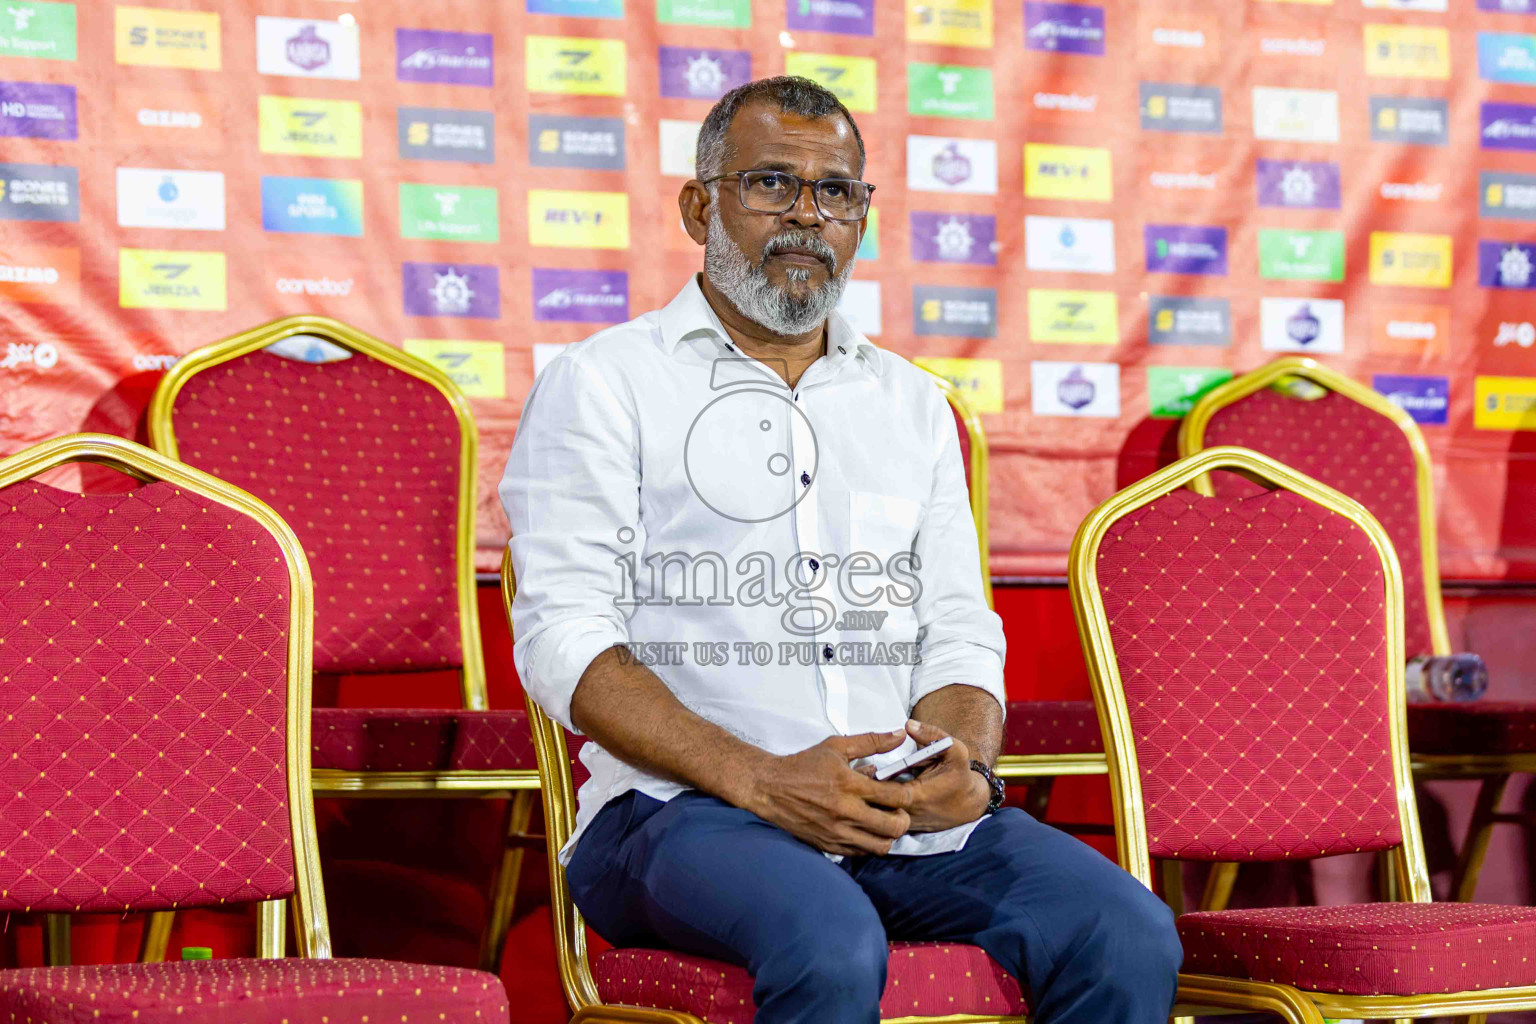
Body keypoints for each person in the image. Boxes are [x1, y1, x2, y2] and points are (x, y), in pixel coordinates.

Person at [501, 76, 1181, 1023]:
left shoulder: (912, 405)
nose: (807, 218)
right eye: (772, 184)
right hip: (676, 814)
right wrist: (760, 779)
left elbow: (956, 628)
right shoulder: (605, 385)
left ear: (864, 214)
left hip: (888, 814)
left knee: (1126, 931)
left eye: (836, 192)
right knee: (826, 939)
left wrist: (967, 764)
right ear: (700, 205)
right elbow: (565, 641)